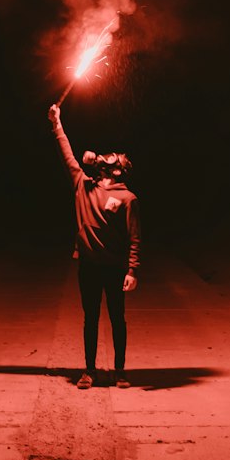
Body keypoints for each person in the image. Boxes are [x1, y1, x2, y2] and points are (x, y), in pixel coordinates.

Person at [48, 102, 140, 389]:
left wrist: (132, 271)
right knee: (90, 318)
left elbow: (135, 237)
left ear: (117, 172)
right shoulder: (83, 186)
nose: (104, 160)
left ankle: (120, 371)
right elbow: (67, 156)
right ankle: (89, 370)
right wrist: (56, 123)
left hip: (114, 267)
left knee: (117, 319)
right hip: (89, 266)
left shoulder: (128, 199)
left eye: (112, 160)